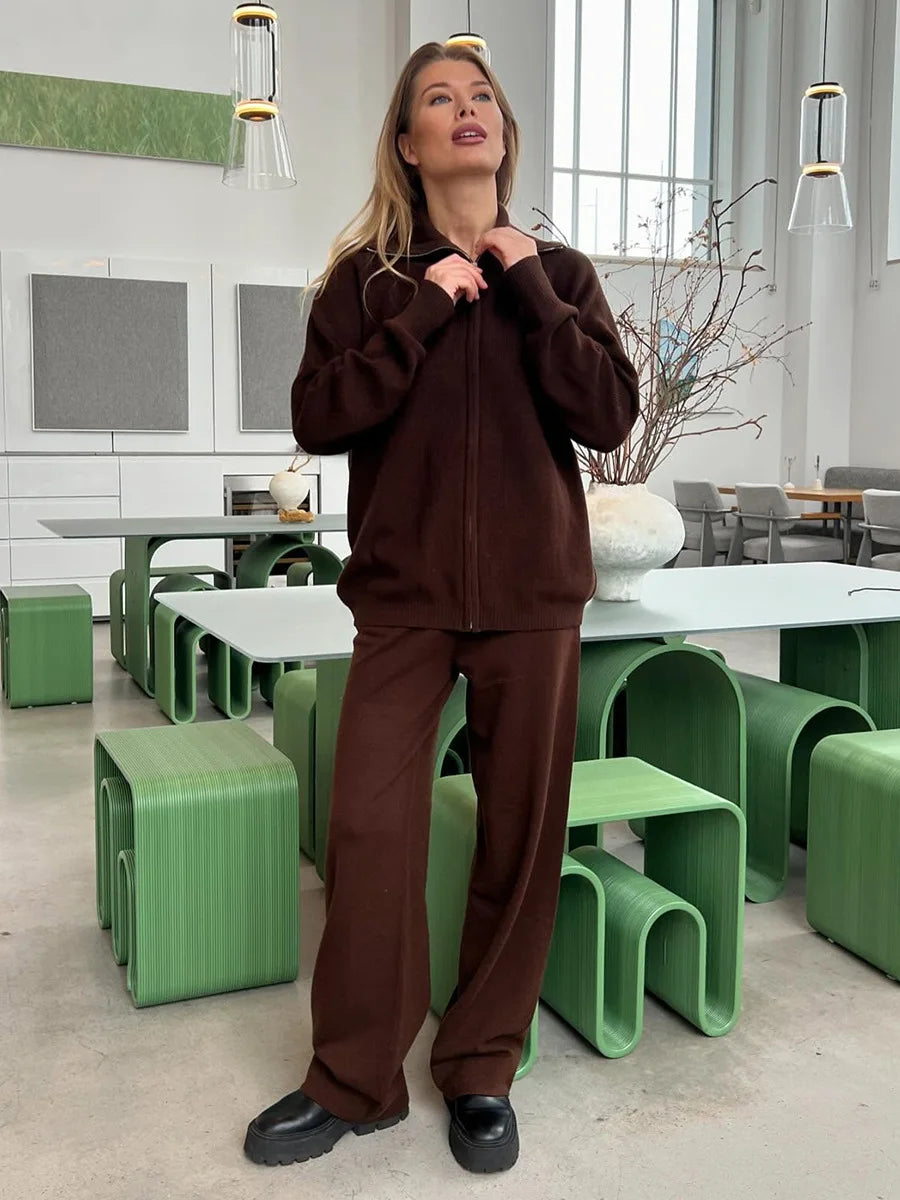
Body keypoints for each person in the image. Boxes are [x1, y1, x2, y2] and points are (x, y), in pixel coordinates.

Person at [244, 40, 639, 1175]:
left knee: (520, 836)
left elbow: (608, 415)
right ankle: (354, 1078)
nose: (465, 110)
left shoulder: (561, 275)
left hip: (532, 599)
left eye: (481, 98)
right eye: (437, 98)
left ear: (502, 133)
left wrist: (526, 284)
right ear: (409, 144)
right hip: (403, 600)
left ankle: (480, 1067)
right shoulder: (365, 281)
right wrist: (419, 314)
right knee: (370, 833)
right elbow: (318, 417)